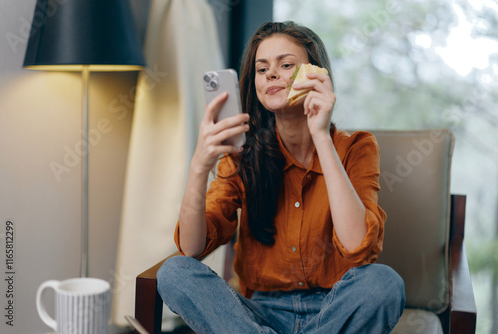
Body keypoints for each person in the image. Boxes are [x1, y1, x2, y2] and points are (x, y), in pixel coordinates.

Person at [157, 21, 405, 334]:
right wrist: (199, 165)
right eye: (262, 69)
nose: (272, 74)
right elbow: (192, 249)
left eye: (286, 65)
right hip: (258, 314)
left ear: (317, 75)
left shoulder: (356, 147)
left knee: (383, 284)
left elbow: (358, 246)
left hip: (332, 311)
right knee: (174, 272)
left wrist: (321, 137)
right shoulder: (241, 156)